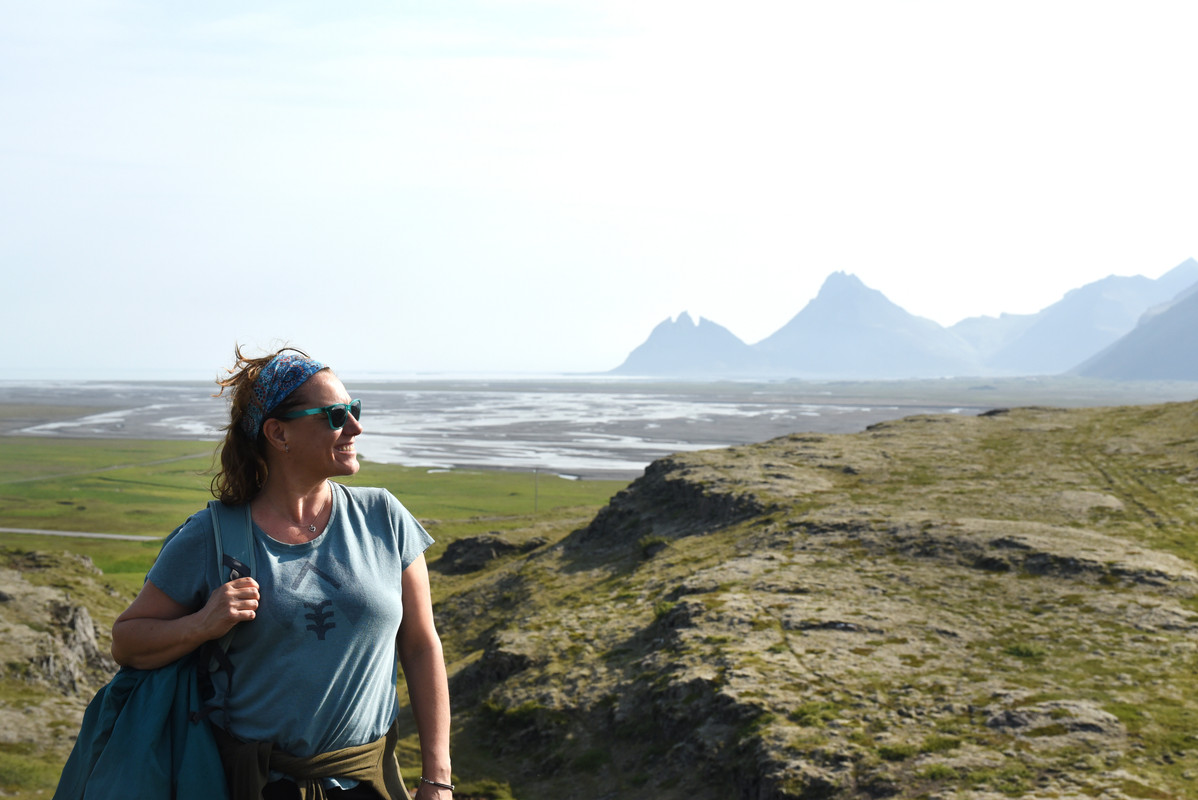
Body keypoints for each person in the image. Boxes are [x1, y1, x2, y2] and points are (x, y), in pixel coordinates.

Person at [110, 347, 451, 800]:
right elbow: (127, 641)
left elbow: (421, 644)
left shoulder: (383, 516)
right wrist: (201, 624)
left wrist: (437, 777)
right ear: (278, 433)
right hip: (256, 787)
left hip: (369, 783)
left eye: (354, 409)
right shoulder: (210, 536)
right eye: (334, 415)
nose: (355, 427)